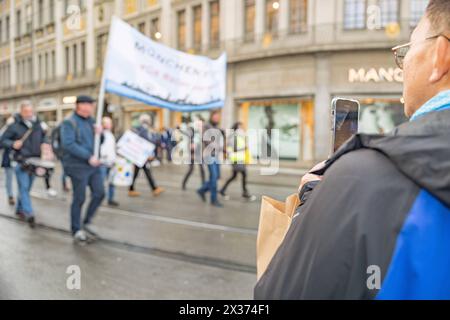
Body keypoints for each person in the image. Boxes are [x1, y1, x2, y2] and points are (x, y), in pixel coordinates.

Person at [255, 0, 450, 300]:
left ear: (440, 56)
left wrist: (310, 208)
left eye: (407, 50)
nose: (403, 64)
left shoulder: (362, 178)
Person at [61, 95, 105, 245]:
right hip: (78, 166)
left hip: (93, 166)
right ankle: (76, 229)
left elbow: (99, 142)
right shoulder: (69, 122)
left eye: (91, 104)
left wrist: (101, 133)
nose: (89, 107)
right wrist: (87, 157)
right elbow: (68, 144)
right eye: (86, 104)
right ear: (78, 106)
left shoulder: (92, 121)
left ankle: (86, 222)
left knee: (99, 193)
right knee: (79, 198)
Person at [0, 101, 49, 228]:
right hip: (21, 161)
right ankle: (29, 213)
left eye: (30, 111)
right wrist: (12, 144)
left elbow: (44, 138)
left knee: (27, 188)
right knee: (23, 186)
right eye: (26, 112)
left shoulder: (38, 125)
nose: (28, 114)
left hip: (35, 161)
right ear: (21, 112)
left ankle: (19, 208)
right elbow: (2, 141)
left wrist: (45, 144)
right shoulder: (14, 126)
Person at [127, 114, 165, 197]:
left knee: (140, 172)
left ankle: (132, 189)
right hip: (141, 156)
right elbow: (147, 142)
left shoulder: (140, 129)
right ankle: (153, 188)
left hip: (140, 156)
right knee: (145, 172)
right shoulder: (143, 130)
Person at [219, 122, 256, 201]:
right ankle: (245, 193)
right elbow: (234, 148)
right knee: (243, 174)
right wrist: (244, 148)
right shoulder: (233, 136)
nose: (242, 128)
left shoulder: (239, 136)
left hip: (239, 159)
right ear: (237, 127)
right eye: (240, 127)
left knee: (234, 176)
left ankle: (222, 190)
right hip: (235, 159)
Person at [197, 110, 225, 208]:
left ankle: (201, 190)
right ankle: (214, 200)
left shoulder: (217, 127)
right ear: (212, 117)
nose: (217, 118)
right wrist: (215, 145)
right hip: (209, 155)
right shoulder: (207, 126)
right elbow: (205, 139)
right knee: (214, 177)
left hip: (216, 155)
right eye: (215, 117)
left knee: (216, 177)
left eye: (218, 117)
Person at [181, 116, 205, 190]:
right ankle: (184, 183)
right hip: (193, 153)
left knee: (202, 169)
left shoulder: (200, 131)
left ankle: (203, 185)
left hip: (198, 153)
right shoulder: (192, 130)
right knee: (191, 169)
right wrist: (192, 154)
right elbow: (190, 142)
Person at [99, 116, 119, 207]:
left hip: (111, 163)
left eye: (110, 123)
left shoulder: (111, 135)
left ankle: (110, 199)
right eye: (107, 123)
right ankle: (98, 198)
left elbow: (112, 149)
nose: (109, 125)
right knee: (100, 182)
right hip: (103, 163)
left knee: (112, 182)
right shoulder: (100, 134)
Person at [1, 116, 16, 206]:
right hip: (9, 158)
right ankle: (10, 195)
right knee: (9, 178)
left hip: (20, 159)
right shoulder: (4, 131)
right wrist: (11, 144)